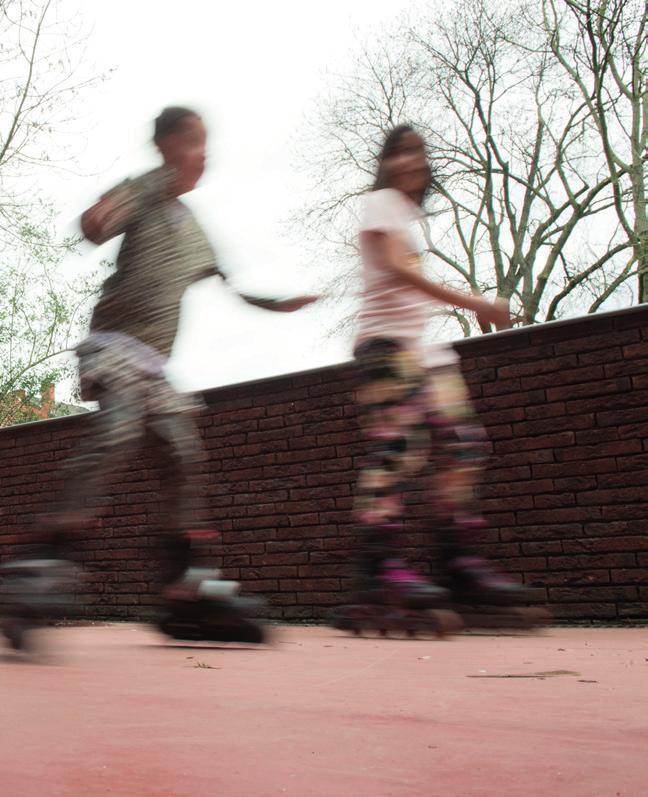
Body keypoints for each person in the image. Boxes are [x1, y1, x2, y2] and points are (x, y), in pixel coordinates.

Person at [32, 106, 316, 596]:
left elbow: (233, 286)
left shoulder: (194, 230)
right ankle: (52, 543)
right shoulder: (146, 189)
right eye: (191, 142)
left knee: (183, 454)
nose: (202, 154)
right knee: (118, 432)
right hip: (112, 346)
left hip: (153, 367)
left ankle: (181, 568)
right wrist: (97, 217)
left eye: (205, 145)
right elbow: (98, 223)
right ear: (164, 146)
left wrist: (278, 304)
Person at [350, 123, 530, 611]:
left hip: (421, 352)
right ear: (386, 162)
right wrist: (476, 302)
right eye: (401, 153)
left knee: (463, 444)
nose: (412, 162)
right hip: (385, 348)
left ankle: (459, 563)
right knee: (399, 448)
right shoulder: (381, 201)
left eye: (420, 154)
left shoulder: (408, 215)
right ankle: (381, 567)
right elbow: (397, 270)